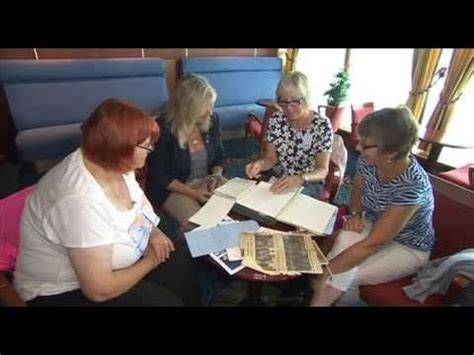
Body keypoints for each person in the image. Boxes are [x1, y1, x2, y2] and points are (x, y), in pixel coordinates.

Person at [14, 98, 202, 306]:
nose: (151, 151)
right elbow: (99, 290)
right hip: (64, 290)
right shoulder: (79, 199)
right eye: (147, 146)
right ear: (120, 147)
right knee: (166, 302)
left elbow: (139, 204)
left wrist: (155, 233)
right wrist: (151, 261)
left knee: (181, 260)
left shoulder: (116, 163)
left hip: (118, 261)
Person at [310, 106, 435, 306]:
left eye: (366, 145)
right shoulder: (369, 160)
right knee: (344, 243)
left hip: (408, 247)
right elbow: (358, 190)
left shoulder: (412, 187)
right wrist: (356, 214)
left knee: (343, 276)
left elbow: (373, 244)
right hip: (373, 224)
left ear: (391, 153)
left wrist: (327, 270)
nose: (358, 149)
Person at [147, 74, 226, 232]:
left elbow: (219, 157)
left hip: (206, 181)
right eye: (204, 108)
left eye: (211, 106)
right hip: (173, 188)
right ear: (187, 108)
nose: (210, 112)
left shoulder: (212, 121)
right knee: (199, 226)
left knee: (236, 207)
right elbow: (160, 176)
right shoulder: (163, 128)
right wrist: (194, 193)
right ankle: (185, 246)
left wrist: (216, 176)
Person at [245, 71, 333, 195]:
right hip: (279, 176)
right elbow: (271, 158)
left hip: (308, 181)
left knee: (290, 208)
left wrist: (300, 178)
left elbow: (322, 170)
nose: (289, 108)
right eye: (283, 102)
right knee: (256, 198)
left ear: (306, 99)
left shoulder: (321, 125)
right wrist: (259, 164)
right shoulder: (276, 119)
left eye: (295, 101)